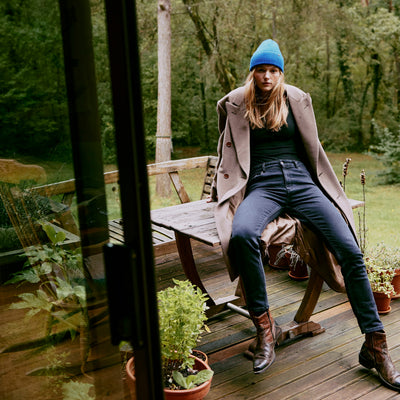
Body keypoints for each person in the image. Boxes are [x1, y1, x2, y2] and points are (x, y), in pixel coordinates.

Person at [209, 39, 400, 390]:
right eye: (261, 70)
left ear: (281, 73)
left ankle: (375, 346)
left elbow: (312, 147)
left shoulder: (296, 99)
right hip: (262, 183)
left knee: (351, 251)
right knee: (242, 234)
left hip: (301, 182)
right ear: (252, 72)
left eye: (273, 70)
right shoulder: (236, 103)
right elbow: (226, 148)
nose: (267, 76)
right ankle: (265, 330)